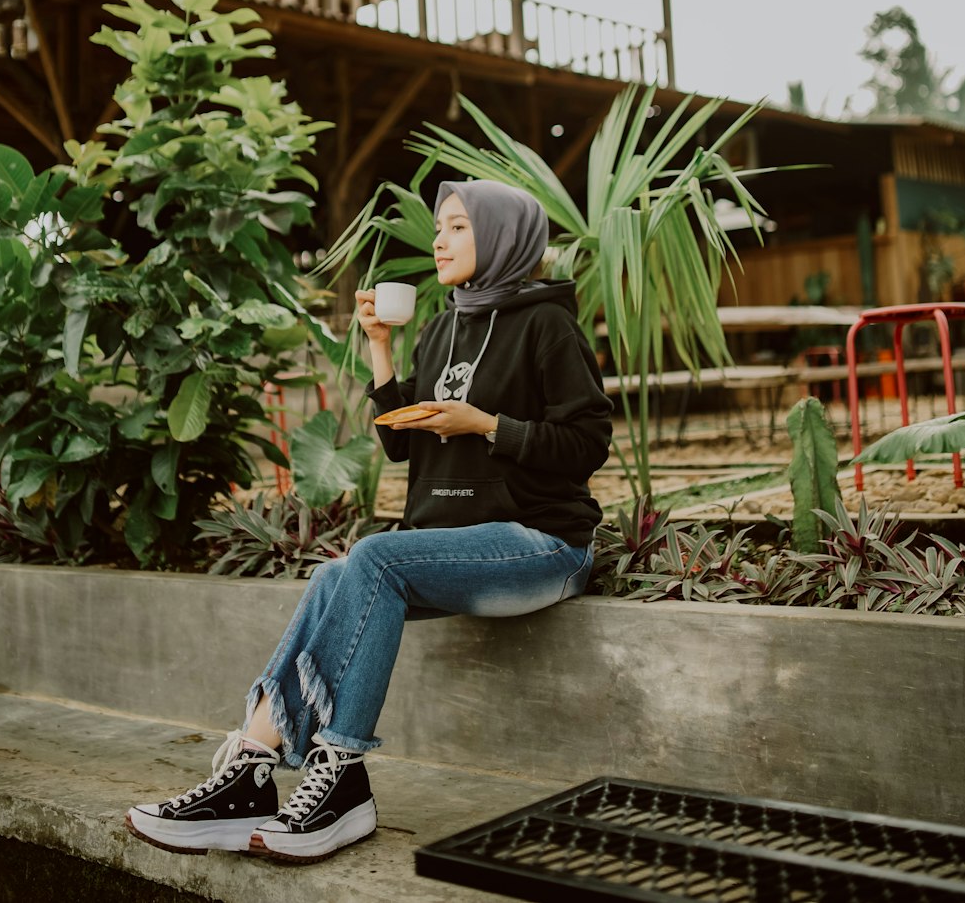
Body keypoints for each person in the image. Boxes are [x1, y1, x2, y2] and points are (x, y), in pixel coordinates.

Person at [125, 179, 612, 865]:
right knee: (336, 572)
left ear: (503, 238)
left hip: (543, 543)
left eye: (458, 228)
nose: (438, 240)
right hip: (455, 541)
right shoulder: (444, 325)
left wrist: (488, 426)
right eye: (439, 229)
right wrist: (381, 344)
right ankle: (249, 773)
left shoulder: (547, 323)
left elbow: (589, 442)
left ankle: (343, 777)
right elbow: (401, 440)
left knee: (375, 556)